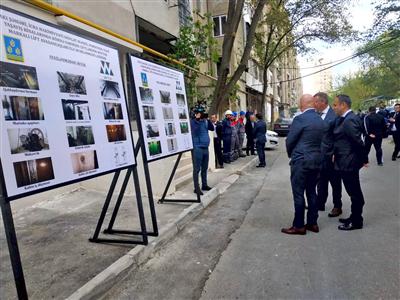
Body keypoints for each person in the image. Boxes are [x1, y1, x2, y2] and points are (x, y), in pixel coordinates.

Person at [282, 94, 324, 235]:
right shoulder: (320, 120)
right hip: (316, 161)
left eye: (300, 104)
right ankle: (313, 223)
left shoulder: (300, 119)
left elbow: (290, 140)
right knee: (312, 192)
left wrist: (291, 155)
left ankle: (299, 225)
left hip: (301, 161)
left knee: (298, 193)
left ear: (303, 104)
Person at [332, 94, 368, 231]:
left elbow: (358, 142)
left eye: (335, 105)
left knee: (354, 193)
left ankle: (357, 221)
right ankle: (354, 216)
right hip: (346, 160)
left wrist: (364, 159)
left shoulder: (349, 120)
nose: (333, 107)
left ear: (343, 105)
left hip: (349, 162)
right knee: (353, 192)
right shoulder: (347, 118)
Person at [313, 92, 343, 217]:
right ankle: (320, 203)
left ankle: (337, 206)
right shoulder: (314, 115)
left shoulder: (335, 115)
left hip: (331, 156)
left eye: (315, 102)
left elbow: (339, 136)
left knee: (335, 182)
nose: (314, 104)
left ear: (322, 102)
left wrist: (335, 152)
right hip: (319, 155)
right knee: (321, 181)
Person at [190, 109, 214, 195]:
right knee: (197, 169)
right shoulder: (192, 122)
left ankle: (204, 185)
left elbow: (212, 128)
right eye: (201, 113)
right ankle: (196, 188)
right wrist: (197, 120)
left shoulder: (205, 121)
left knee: (205, 168)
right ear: (196, 114)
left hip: (205, 147)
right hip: (197, 147)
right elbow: (194, 130)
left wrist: (207, 119)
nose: (202, 115)